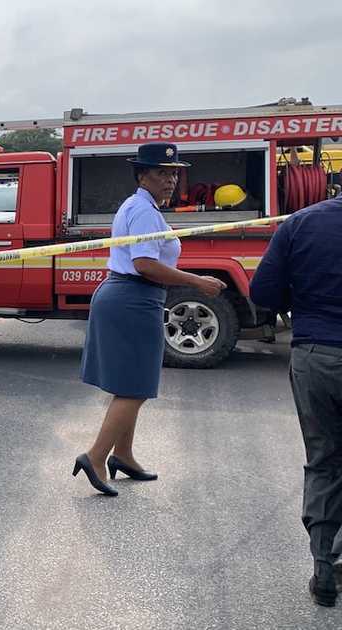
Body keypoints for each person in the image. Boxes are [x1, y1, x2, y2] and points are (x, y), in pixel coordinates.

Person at [73, 143, 227, 496]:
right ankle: (96, 456)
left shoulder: (144, 207)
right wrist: (196, 282)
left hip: (133, 296)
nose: (170, 179)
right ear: (141, 175)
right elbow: (145, 264)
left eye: (174, 172)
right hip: (132, 296)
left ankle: (123, 456)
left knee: (132, 383)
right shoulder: (142, 210)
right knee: (136, 387)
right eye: (161, 172)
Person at [250, 192, 342, 607]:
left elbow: (263, 290)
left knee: (324, 461)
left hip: (316, 354)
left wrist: (302, 304)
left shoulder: (301, 223)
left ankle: (325, 568)